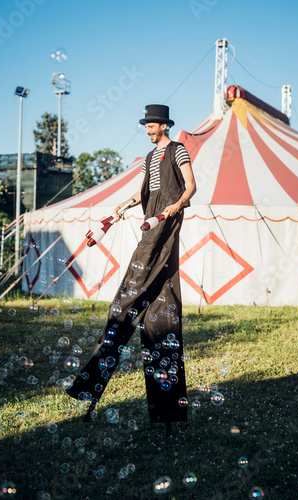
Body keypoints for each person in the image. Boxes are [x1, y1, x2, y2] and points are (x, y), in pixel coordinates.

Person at [66, 104, 196, 435]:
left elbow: (191, 186)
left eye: (151, 125)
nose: (147, 129)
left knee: (127, 298)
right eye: (146, 125)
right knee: (160, 314)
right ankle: (167, 413)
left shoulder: (177, 150)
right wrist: (122, 207)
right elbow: (142, 194)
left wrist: (176, 205)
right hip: (149, 221)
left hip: (165, 225)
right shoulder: (149, 158)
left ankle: (93, 377)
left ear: (164, 125)